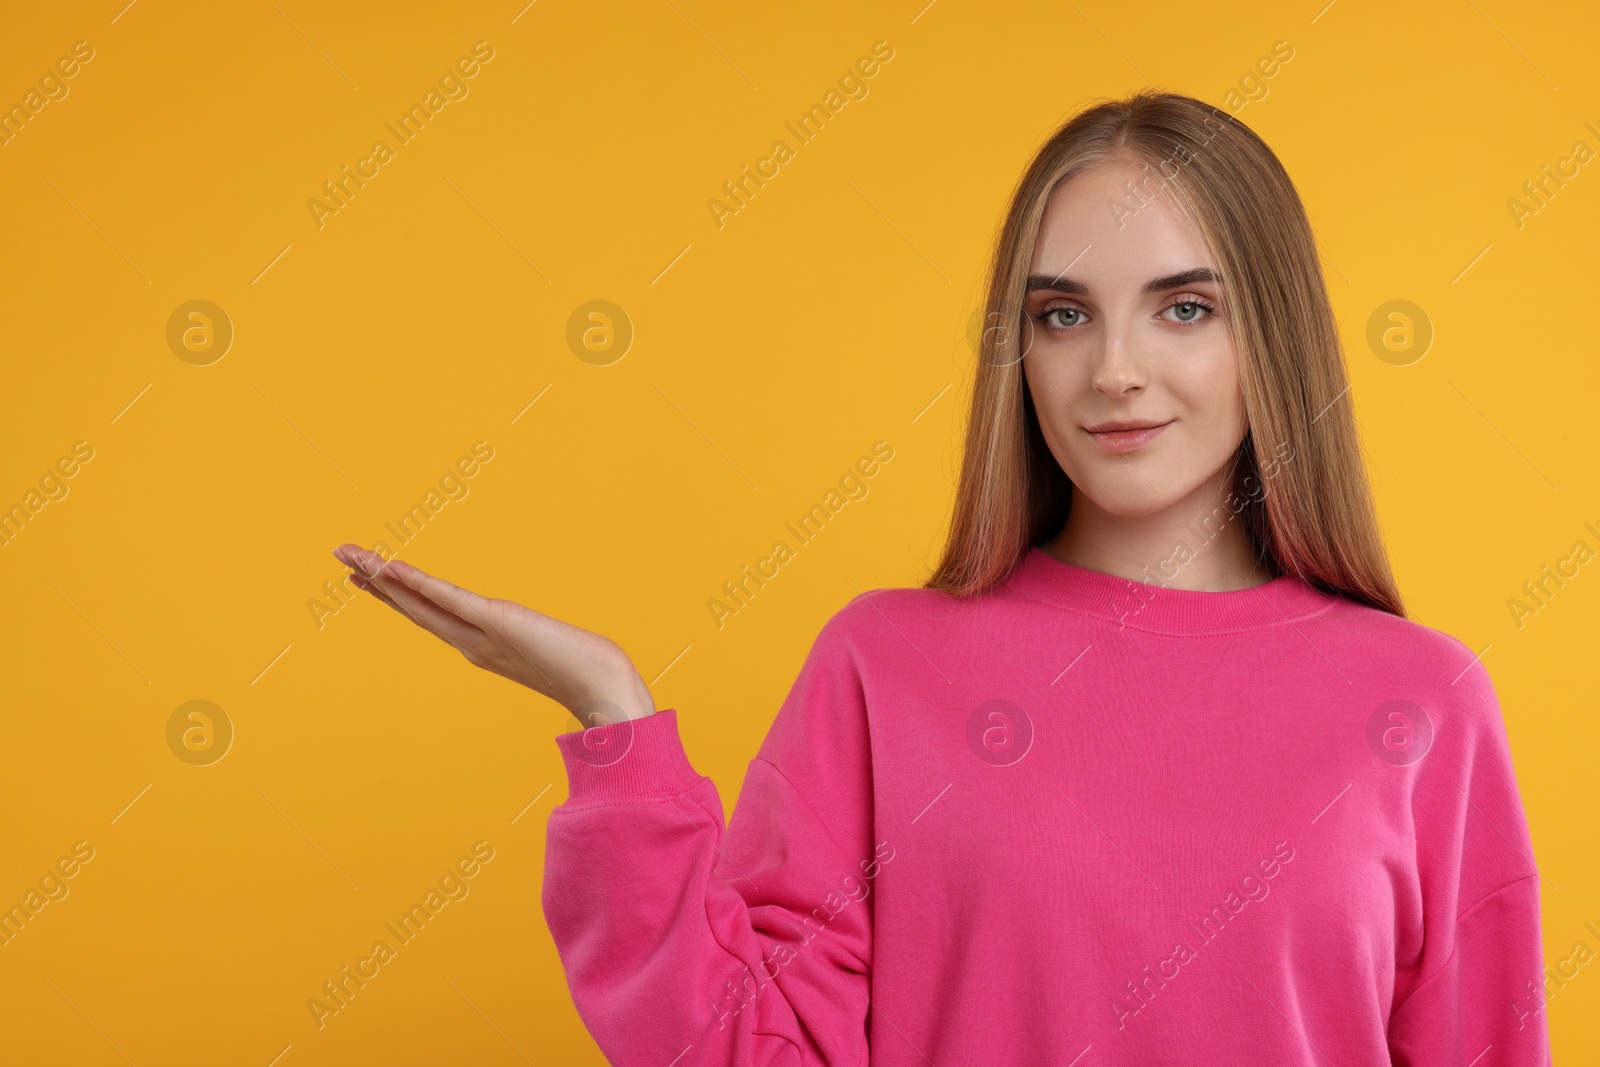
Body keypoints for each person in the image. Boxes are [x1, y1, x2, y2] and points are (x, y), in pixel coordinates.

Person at [334, 89, 1552, 1065]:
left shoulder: (1423, 702)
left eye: (1183, 307)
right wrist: (615, 722)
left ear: (1272, 335)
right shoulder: (883, 664)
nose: (1113, 370)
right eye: (1063, 316)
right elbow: (743, 1049)